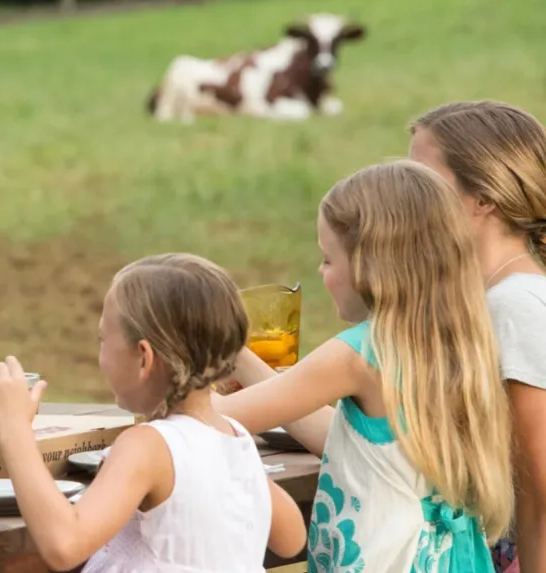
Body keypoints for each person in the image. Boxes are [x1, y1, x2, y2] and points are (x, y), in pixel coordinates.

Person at [216, 160, 514, 571]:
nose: (320, 272)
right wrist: (242, 359)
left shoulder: (360, 352)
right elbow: (347, 441)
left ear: (371, 265)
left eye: (327, 259)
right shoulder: (456, 341)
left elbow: (213, 420)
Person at [0, 254, 306, 572]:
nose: (99, 353)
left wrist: (14, 428)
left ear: (144, 357)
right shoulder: (236, 439)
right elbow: (292, 538)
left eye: (102, 339)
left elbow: (64, 544)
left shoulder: (147, 446)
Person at [407, 100, 546, 573]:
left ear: (483, 198)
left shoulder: (513, 308)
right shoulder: (490, 301)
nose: (406, 196)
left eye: (423, 181)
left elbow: (540, 491)